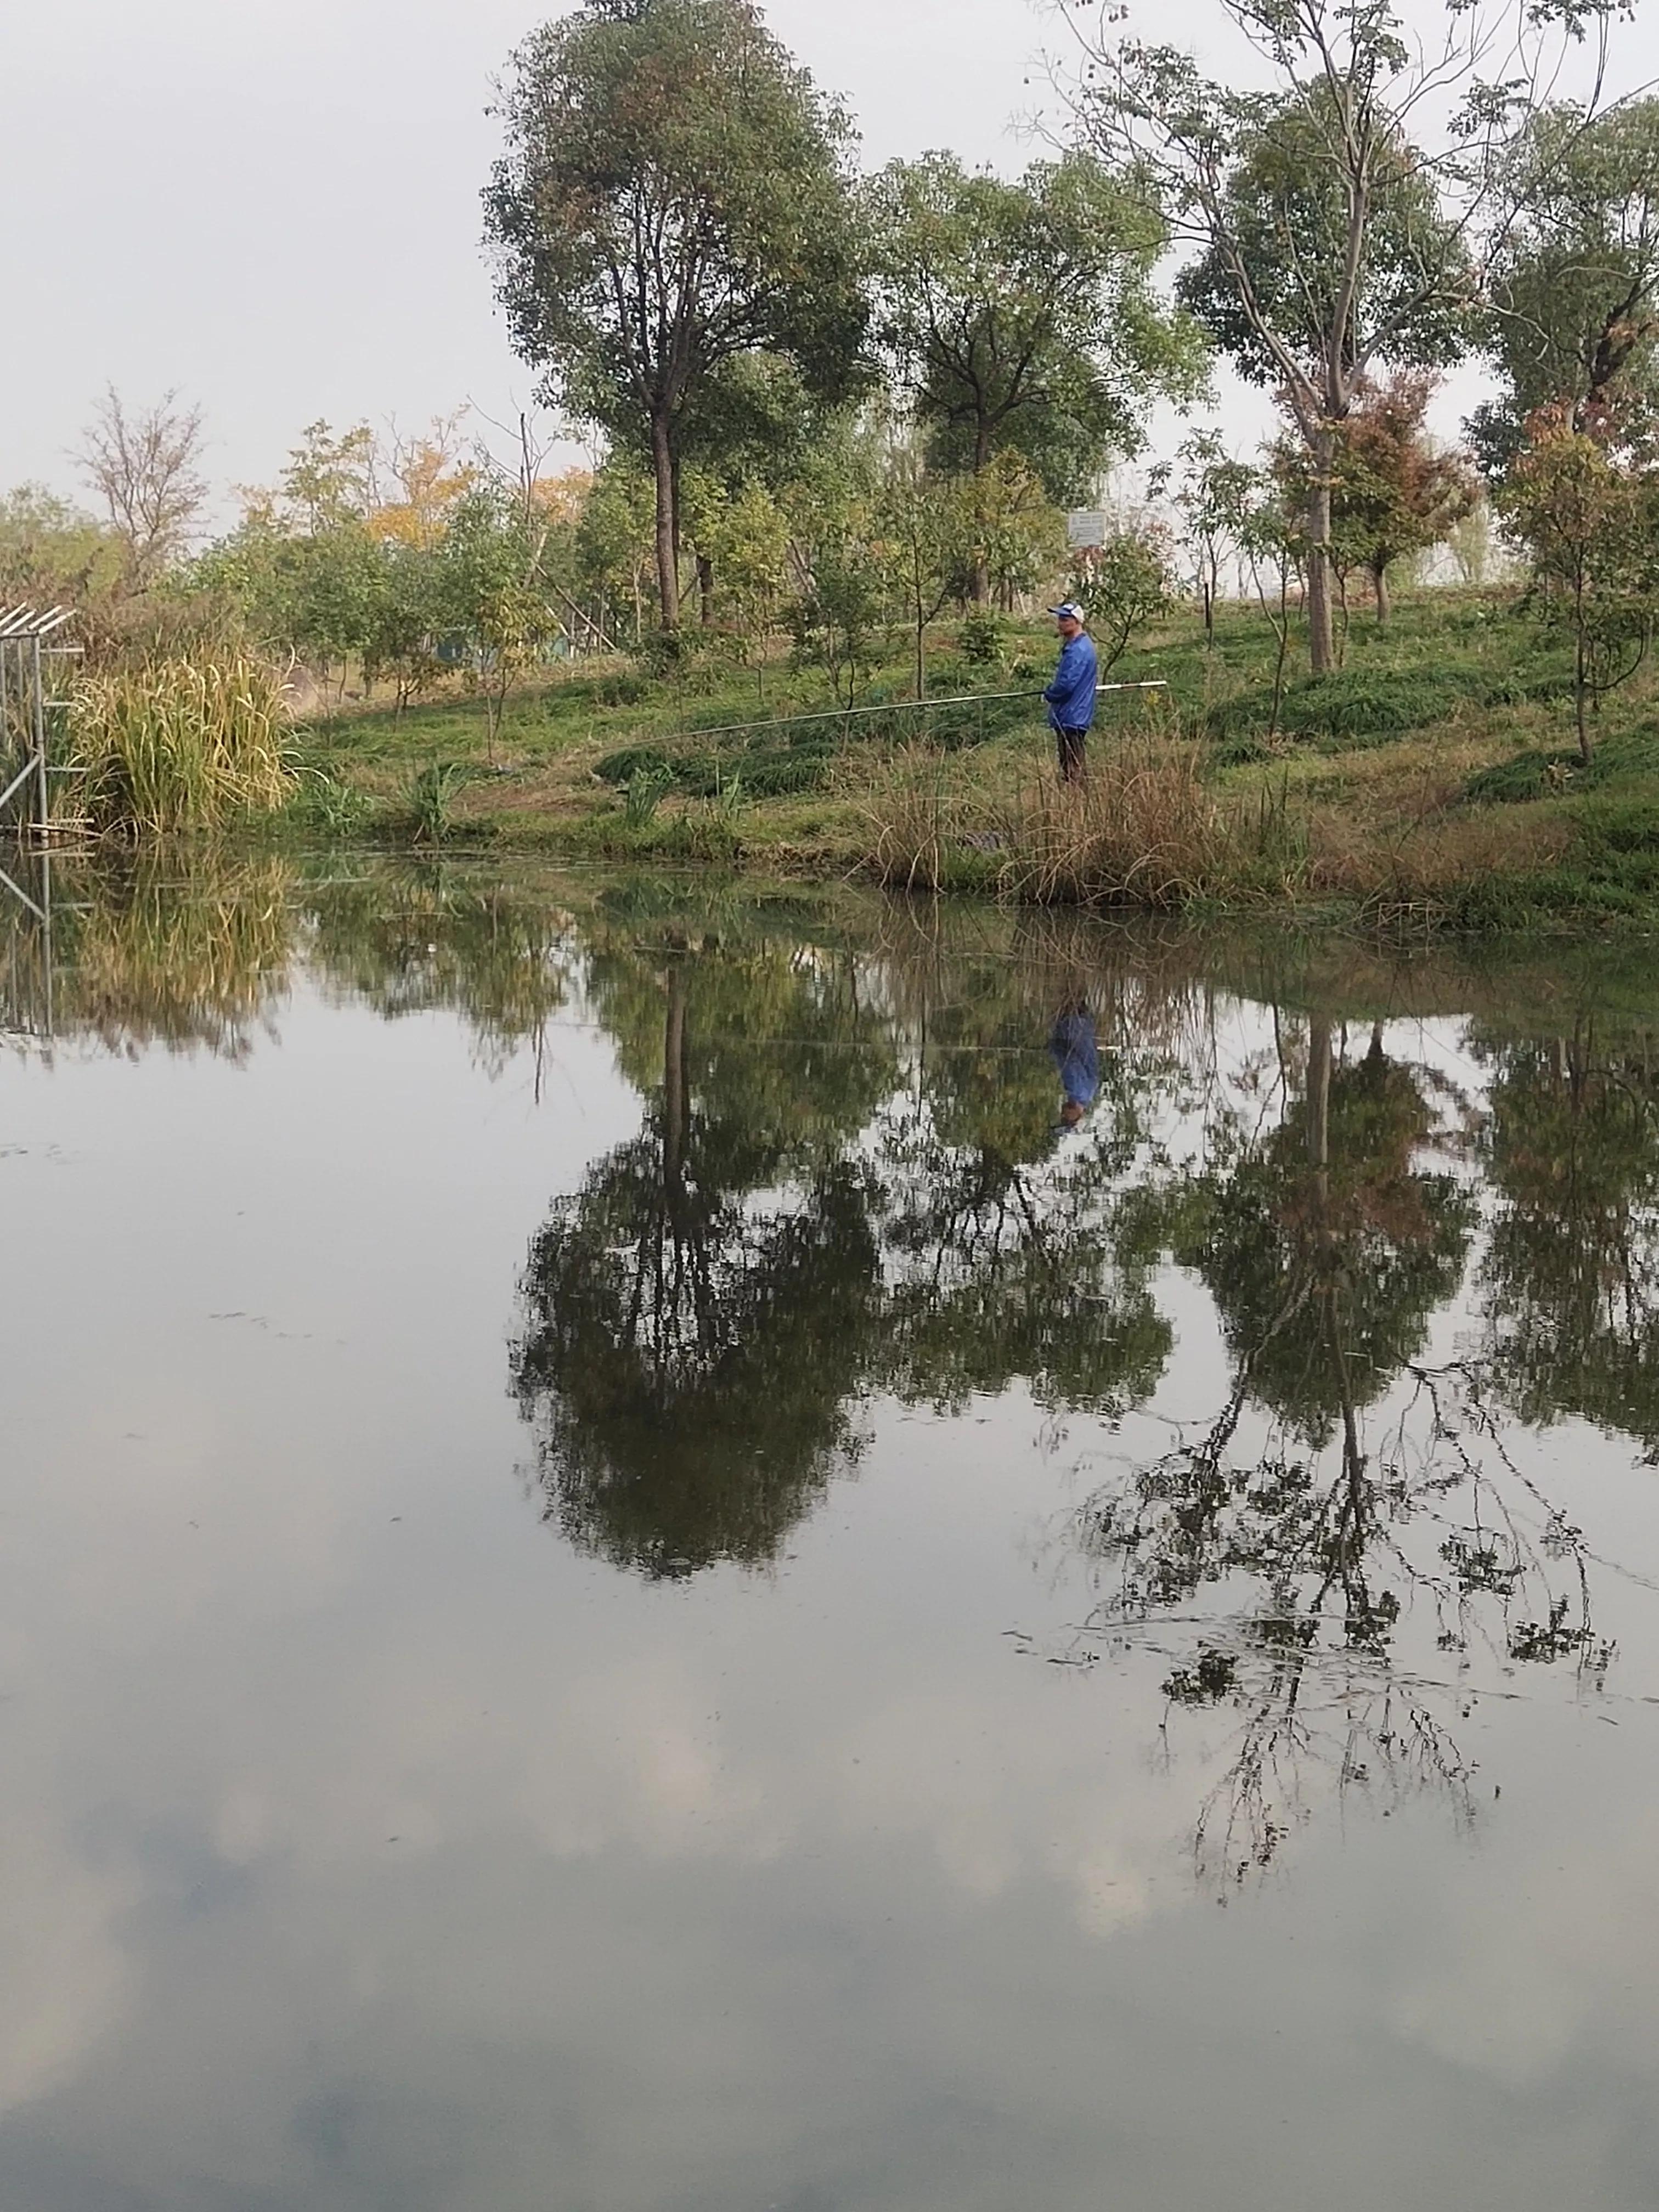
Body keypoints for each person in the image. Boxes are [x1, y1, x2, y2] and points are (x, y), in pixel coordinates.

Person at [1042, 601, 1098, 784]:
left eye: (1065, 619)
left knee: (1073, 767)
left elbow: (1066, 685)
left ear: (1076, 622)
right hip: (1072, 714)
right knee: (1070, 763)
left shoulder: (1078, 650)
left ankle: (1077, 804)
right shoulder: (1078, 646)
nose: (1060, 623)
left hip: (1072, 715)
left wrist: (1050, 693)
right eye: (1060, 619)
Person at [1048, 995, 1099, 1131]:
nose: (1063, 1114)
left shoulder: (1089, 1094)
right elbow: (1070, 1061)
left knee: (1078, 986)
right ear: (1075, 1117)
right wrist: (1053, 1048)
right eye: (1065, 1118)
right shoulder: (1076, 1090)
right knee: (1067, 986)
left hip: (1082, 1025)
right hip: (1071, 1025)